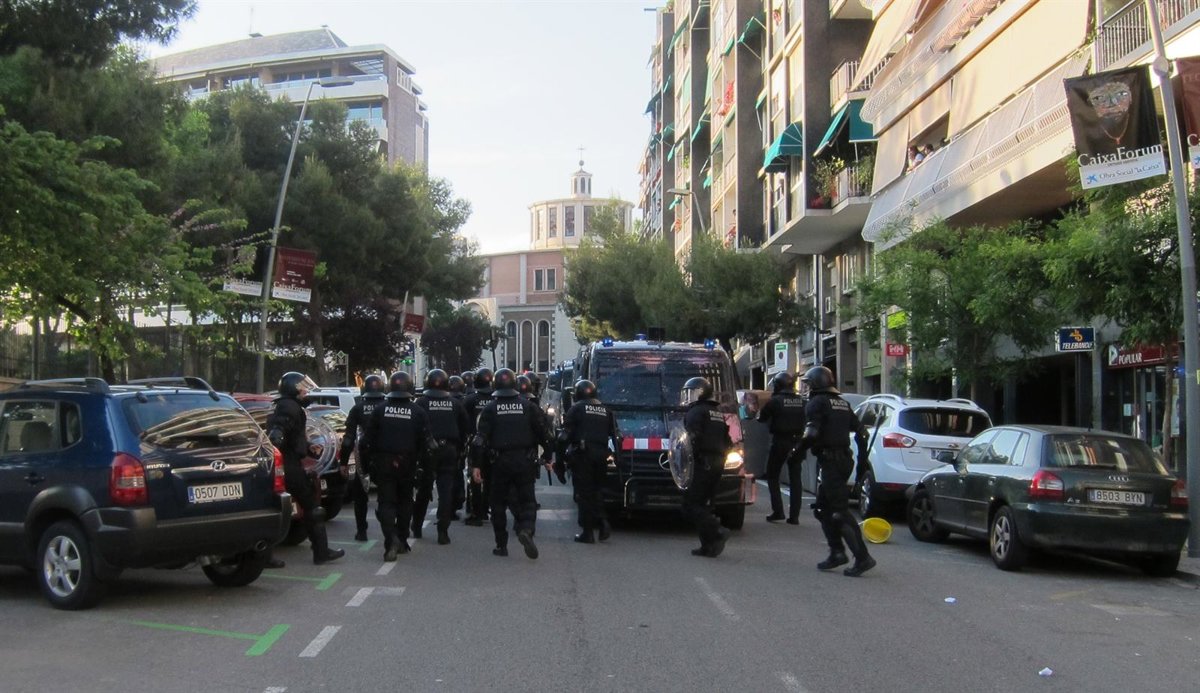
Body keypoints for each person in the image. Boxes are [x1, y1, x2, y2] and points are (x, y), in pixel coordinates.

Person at [788, 366, 876, 577]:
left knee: (839, 511)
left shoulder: (816, 403)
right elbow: (862, 433)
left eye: (808, 384)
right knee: (822, 509)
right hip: (844, 460)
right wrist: (861, 463)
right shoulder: (842, 403)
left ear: (816, 384)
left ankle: (862, 557)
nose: (806, 388)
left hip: (831, 461)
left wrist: (796, 452)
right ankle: (837, 552)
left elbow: (811, 434)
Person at [472, 368, 554, 559]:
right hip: (525, 460)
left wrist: (477, 465)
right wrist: (547, 457)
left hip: (499, 462)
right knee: (528, 500)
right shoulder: (529, 407)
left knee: (498, 503)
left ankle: (501, 545)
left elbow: (480, 440)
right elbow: (545, 434)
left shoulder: (490, 409)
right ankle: (526, 529)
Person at [266, 371, 345, 566]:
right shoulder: (289, 407)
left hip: (287, 463)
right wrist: (285, 450)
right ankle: (321, 552)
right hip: (289, 465)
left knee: (278, 508)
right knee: (311, 507)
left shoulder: (288, 406)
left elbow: (291, 436)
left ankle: (264, 556)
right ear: (293, 389)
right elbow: (277, 435)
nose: (305, 392)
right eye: (302, 388)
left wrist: (307, 446)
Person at [362, 371, 431, 562]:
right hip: (408, 462)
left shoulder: (380, 410)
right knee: (405, 501)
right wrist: (424, 467)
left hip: (384, 462)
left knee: (386, 503)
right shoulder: (418, 412)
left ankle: (390, 539)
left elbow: (366, 441)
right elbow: (427, 443)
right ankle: (401, 538)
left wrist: (368, 465)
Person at [414, 369, 471, 545]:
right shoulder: (455, 404)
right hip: (449, 450)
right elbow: (465, 429)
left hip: (427, 451)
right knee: (446, 491)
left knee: (424, 490)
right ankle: (443, 531)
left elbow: (414, 428)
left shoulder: (421, 403)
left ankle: (416, 526)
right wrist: (460, 450)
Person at [560, 379, 620, 544]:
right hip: (602, 456)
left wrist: (559, 459)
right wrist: (618, 459)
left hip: (583, 456)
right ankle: (603, 521)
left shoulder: (576, 409)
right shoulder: (606, 411)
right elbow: (616, 436)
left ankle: (587, 532)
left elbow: (564, 436)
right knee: (597, 490)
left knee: (584, 493)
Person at [680, 376, 732, 558]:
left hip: (702, 462)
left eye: (692, 392)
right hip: (717, 463)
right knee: (704, 504)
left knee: (691, 505)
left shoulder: (696, 412)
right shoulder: (717, 413)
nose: (689, 397)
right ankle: (708, 545)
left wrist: (688, 460)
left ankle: (717, 530)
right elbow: (728, 441)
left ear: (700, 393)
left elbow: (692, 438)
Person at [338, 373, 387, 542]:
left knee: (360, 496)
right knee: (386, 491)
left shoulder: (358, 408)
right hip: (384, 455)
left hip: (363, 455)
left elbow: (348, 439)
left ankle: (361, 531)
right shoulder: (387, 406)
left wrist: (343, 462)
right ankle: (385, 518)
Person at [757, 372, 807, 524]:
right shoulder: (802, 401)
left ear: (778, 385)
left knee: (772, 475)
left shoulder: (775, 401)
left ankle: (778, 511)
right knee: (795, 478)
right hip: (798, 442)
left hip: (780, 441)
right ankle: (794, 516)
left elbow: (761, 418)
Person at [462, 368, 495, 526]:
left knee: (475, 477)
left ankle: (476, 512)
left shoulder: (470, 400)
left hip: (476, 443)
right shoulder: (497, 399)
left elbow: (463, 421)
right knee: (491, 478)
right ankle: (488, 508)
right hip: (495, 444)